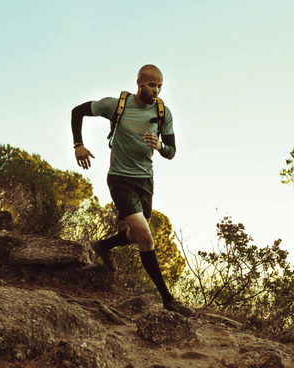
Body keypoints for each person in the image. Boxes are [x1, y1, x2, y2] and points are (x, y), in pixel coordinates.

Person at [70, 64, 194, 317]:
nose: (156, 90)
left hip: (145, 181)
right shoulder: (116, 105)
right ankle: (168, 299)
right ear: (139, 83)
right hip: (120, 179)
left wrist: (160, 145)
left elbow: (171, 152)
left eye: (160, 86)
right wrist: (78, 145)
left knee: (137, 235)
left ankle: (103, 246)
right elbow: (77, 111)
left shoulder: (163, 113)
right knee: (147, 239)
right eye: (151, 85)